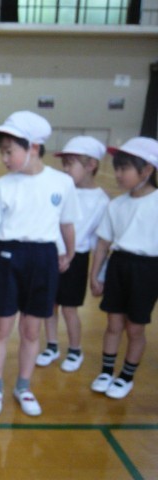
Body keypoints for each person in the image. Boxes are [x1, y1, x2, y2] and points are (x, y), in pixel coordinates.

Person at [0, 111, 79, 417]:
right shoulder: (0, 186)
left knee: (32, 330)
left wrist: (69, 253)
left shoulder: (62, 183)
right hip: (7, 257)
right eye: (2, 152)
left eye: (9, 151)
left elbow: (67, 223)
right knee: (1, 326)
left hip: (44, 257)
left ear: (33, 147)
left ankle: (23, 386)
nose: (4, 159)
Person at [89, 137, 158, 399]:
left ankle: (126, 376)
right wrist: (95, 274)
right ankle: (106, 371)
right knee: (114, 323)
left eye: (124, 168)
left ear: (147, 170)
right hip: (119, 265)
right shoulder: (116, 205)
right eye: (116, 168)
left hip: (148, 269)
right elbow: (103, 243)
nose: (118, 174)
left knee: (135, 327)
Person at [36, 137, 109, 372]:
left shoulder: (101, 201)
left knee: (69, 308)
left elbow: (100, 242)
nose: (65, 169)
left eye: (71, 164)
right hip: (51, 254)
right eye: (64, 164)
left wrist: (97, 275)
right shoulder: (61, 189)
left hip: (76, 258)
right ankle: (51, 346)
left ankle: (75, 349)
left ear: (91, 165)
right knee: (50, 304)